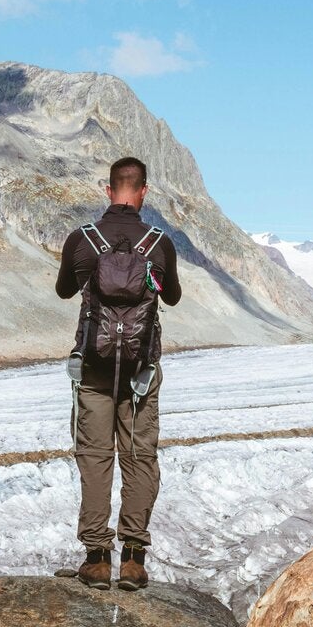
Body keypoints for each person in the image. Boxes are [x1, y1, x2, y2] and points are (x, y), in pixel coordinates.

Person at [52, 155, 181, 590]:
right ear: (144, 192)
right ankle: (133, 561)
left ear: (108, 191)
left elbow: (64, 290)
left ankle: (95, 559)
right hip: (141, 372)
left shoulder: (83, 240)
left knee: (94, 457)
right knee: (139, 457)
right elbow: (173, 297)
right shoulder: (158, 244)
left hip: (93, 368)